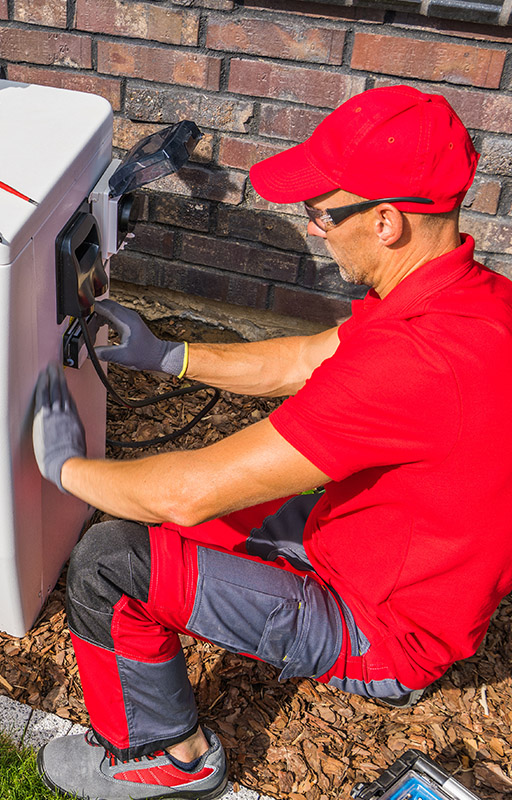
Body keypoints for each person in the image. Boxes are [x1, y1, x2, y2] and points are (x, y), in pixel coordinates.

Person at [30, 84, 512, 800]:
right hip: (379, 557)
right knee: (149, 519)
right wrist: (170, 355)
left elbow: (186, 494)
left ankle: (168, 760)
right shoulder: (466, 299)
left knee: (108, 561)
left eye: (321, 213)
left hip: (379, 630)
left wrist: (64, 467)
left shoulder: (415, 362)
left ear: (385, 222)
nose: (314, 229)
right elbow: (304, 358)